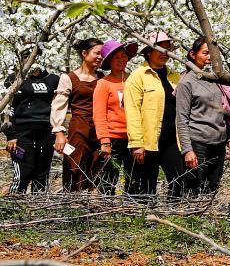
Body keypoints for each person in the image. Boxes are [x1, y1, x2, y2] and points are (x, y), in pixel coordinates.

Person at [123, 31, 185, 198]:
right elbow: (132, 111)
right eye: (160, 50)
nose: (165, 54)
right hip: (148, 140)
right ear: (149, 52)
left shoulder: (175, 77)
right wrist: (137, 143)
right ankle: (144, 220)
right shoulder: (137, 77)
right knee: (145, 186)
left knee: (179, 179)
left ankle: (173, 216)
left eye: (167, 50)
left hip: (172, 138)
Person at [175, 36, 230, 196]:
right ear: (192, 54)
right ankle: (192, 220)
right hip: (198, 143)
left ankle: (209, 220)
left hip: (218, 143)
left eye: (212, 53)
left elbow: (224, 112)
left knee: (212, 188)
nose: (209, 57)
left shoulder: (217, 79)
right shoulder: (186, 83)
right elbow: (181, 119)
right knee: (193, 188)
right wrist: (187, 150)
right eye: (205, 53)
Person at [51, 38, 105, 192]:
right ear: (84, 53)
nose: (100, 57)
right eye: (97, 53)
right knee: (75, 162)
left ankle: (95, 204)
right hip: (78, 128)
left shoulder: (102, 78)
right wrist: (59, 132)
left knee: (97, 163)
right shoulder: (68, 78)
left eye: (102, 54)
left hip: (99, 128)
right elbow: (58, 106)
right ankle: (73, 203)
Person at [3, 50, 60, 193]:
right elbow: (6, 109)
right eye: (27, 59)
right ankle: (15, 204)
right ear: (21, 62)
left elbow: (58, 104)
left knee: (42, 171)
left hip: (46, 131)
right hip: (22, 132)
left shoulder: (53, 79)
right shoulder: (14, 79)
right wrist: (11, 135)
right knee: (24, 170)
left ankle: (38, 206)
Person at [93, 38, 138, 195]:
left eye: (123, 56)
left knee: (133, 176)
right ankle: (106, 209)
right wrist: (104, 141)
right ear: (109, 62)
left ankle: (131, 209)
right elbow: (99, 114)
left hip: (134, 136)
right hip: (113, 136)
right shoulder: (104, 83)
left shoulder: (134, 79)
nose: (121, 60)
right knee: (110, 176)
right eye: (116, 57)